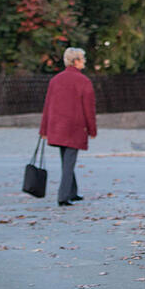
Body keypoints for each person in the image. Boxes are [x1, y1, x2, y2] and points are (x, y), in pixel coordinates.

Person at [39, 47, 97, 207]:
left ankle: (72, 191)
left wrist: (44, 130)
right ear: (76, 61)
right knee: (69, 162)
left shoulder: (55, 80)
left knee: (66, 160)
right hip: (75, 128)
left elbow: (47, 106)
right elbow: (89, 109)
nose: (84, 61)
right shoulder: (84, 81)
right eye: (82, 59)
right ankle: (63, 196)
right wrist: (92, 130)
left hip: (57, 127)